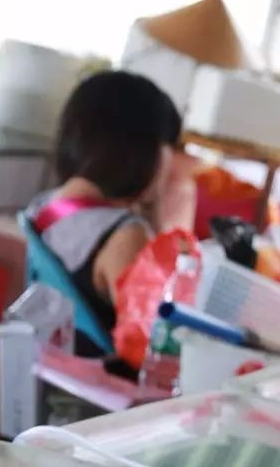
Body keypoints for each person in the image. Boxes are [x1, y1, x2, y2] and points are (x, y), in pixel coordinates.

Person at [25, 70, 183, 337]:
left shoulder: (44, 208)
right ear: (141, 151)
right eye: (170, 147)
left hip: (41, 366)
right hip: (94, 377)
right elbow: (155, 338)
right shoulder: (125, 236)